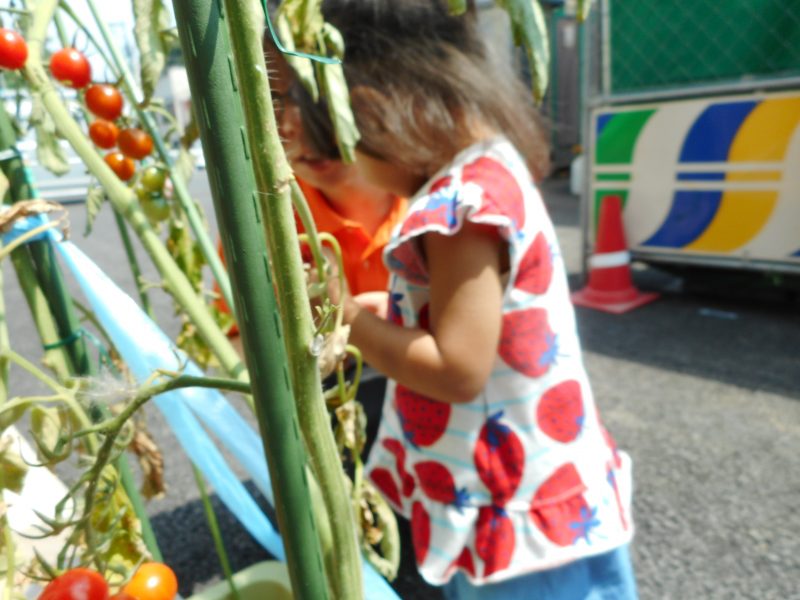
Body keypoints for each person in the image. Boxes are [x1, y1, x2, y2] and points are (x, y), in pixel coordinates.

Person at [307, 1, 639, 598]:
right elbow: (491, 319)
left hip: (511, 514)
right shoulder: (489, 167)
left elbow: (458, 369)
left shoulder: (457, 207)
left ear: (378, 112)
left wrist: (350, 317)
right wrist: (401, 314)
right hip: (532, 486)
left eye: (344, 150)